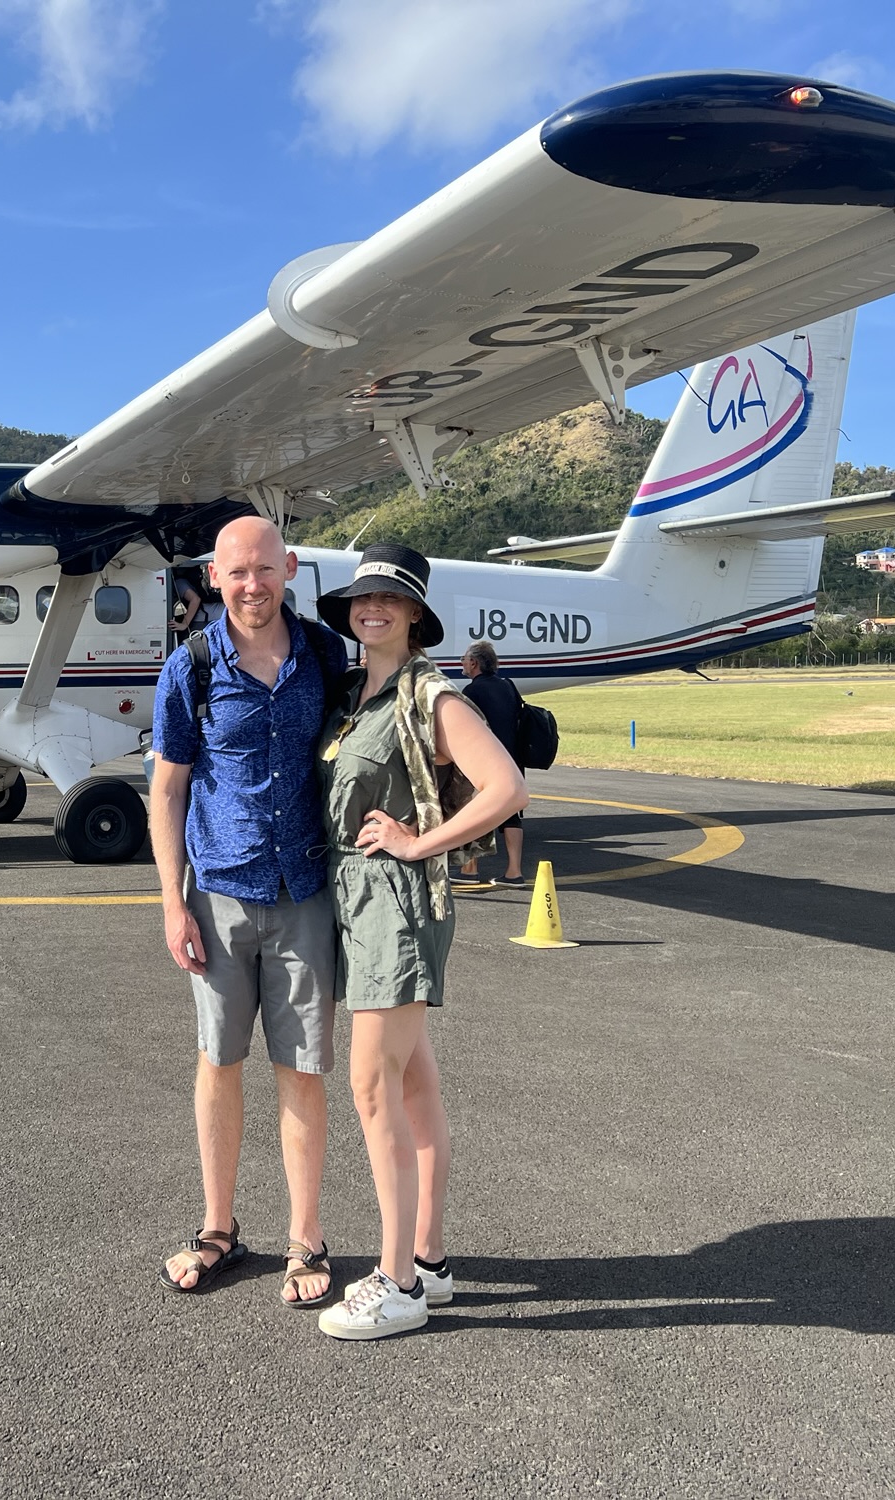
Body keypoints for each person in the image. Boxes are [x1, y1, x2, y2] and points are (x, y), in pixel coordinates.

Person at [310, 543, 527, 1340]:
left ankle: (396, 1282)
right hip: (354, 898)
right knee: (411, 1086)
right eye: (363, 598)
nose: (373, 609)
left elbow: (507, 787)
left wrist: (417, 842)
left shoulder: (430, 694)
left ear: (413, 616)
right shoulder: (353, 692)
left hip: (395, 905)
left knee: (373, 1087)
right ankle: (429, 1259)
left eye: (390, 600)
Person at [150, 516, 350, 1308]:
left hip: (304, 892)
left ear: (290, 568)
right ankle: (218, 1228)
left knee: (302, 1071)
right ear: (214, 578)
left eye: (264, 569)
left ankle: (307, 1239)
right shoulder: (190, 667)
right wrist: (172, 903)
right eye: (236, 572)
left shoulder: (327, 658)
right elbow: (168, 790)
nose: (251, 585)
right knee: (219, 1062)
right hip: (219, 895)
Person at [456, 640, 527, 887]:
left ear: (474, 663)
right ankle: (514, 872)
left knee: (475, 811)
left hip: (484, 761)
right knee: (512, 816)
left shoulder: (471, 691)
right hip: (513, 759)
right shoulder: (508, 685)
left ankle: (470, 869)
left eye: (465, 659)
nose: (462, 663)